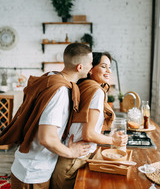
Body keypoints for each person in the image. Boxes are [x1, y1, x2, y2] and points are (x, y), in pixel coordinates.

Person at [0, 43, 93, 189]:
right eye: (91, 63)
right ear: (79, 67)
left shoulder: (50, 77)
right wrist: (70, 152)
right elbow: (46, 138)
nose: (92, 67)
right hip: (33, 173)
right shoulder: (60, 92)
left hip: (26, 167)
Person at [51, 52, 128, 189]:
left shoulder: (83, 86)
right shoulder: (96, 92)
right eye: (103, 66)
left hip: (69, 158)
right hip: (73, 161)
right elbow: (89, 134)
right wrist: (113, 140)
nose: (108, 71)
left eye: (109, 67)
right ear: (91, 69)